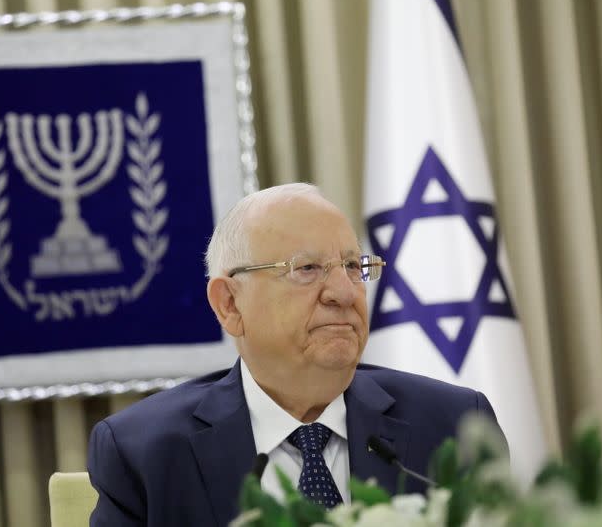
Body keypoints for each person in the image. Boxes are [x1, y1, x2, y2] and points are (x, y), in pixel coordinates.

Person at [87, 183, 503, 526]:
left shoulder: (456, 424)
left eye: (353, 267)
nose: (344, 293)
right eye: (306, 269)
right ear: (229, 305)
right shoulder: (144, 455)